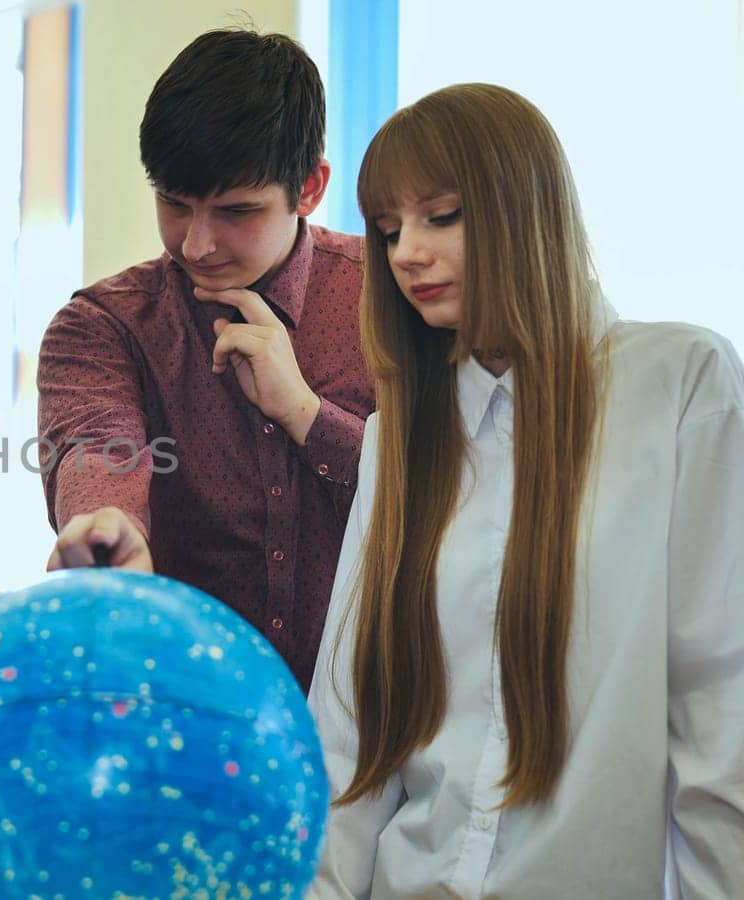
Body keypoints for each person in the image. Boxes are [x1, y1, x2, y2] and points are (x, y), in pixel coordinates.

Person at [307, 84, 744, 898]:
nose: (406, 253)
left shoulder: (681, 385)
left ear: (523, 206)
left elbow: (721, 706)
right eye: (389, 228)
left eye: (442, 215)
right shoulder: (398, 438)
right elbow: (349, 725)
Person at [37, 28, 373, 690]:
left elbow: (457, 496)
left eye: (235, 212)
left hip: (388, 740)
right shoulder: (105, 326)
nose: (195, 244)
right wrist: (107, 524)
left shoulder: (389, 304)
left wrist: (307, 416)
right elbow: (99, 444)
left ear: (309, 187)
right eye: (173, 203)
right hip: (185, 726)